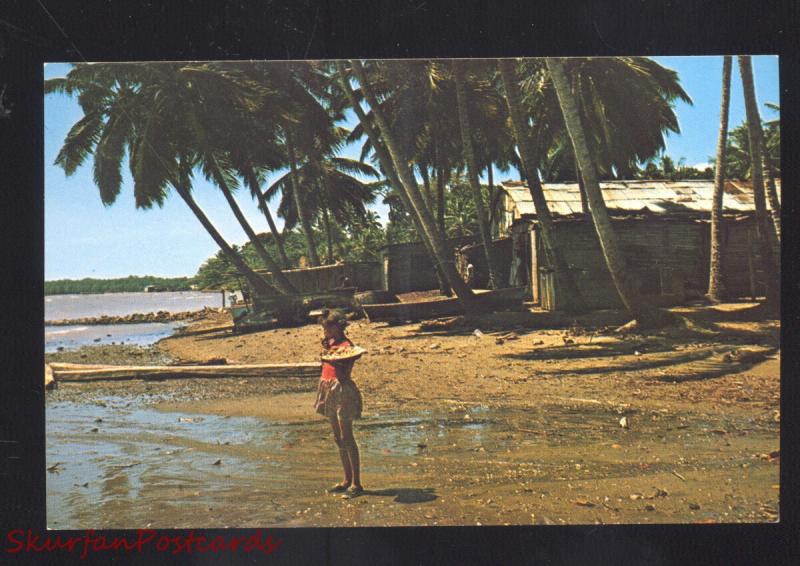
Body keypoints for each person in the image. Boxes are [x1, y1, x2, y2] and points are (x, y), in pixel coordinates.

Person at [314, 309, 364, 496]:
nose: (324, 332)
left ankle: (357, 483)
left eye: (327, 328)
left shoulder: (347, 346)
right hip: (327, 387)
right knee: (338, 437)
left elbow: (343, 370)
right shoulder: (331, 343)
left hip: (342, 388)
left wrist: (334, 358)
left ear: (337, 327)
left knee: (347, 437)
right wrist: (327, 349)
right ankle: (346, 479)